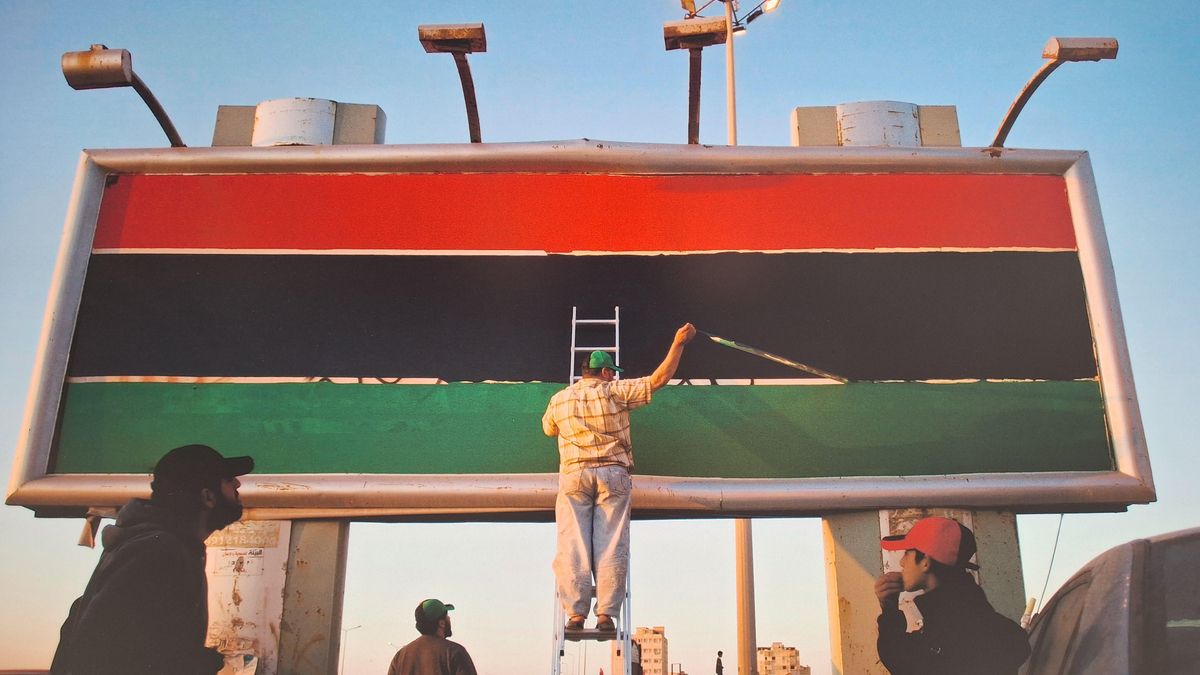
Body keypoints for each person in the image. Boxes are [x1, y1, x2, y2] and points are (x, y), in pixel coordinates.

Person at [543, 323, 696, 631]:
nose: (614, 376)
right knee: (611, 543)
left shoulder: (559, 399)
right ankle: (605, 614)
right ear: (603, 374)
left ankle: (575, 614)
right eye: (611, 372)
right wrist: (678, 343)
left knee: (572, 544)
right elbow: (659, 379)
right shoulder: (615, 392)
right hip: (613, 473)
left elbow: (549, 429)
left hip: (574, 474)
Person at [51, 444, 254, 675]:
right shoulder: (159, 551)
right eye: (228, 480)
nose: (237, 484)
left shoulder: (157, 545)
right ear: (208, 497)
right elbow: (101, 648)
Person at [874, 516, 1031, 675]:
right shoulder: (960, 612)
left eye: (907, 553)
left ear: (925, 562)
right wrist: (889, 609)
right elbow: (906, 658)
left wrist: (889, 611)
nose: (901, 562)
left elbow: (912, 663)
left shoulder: (959, 623)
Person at [386, 599, 478, 675]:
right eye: (447, 616)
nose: (449, 619)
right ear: (441, 623)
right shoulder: (455, 652)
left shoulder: (400, 657)